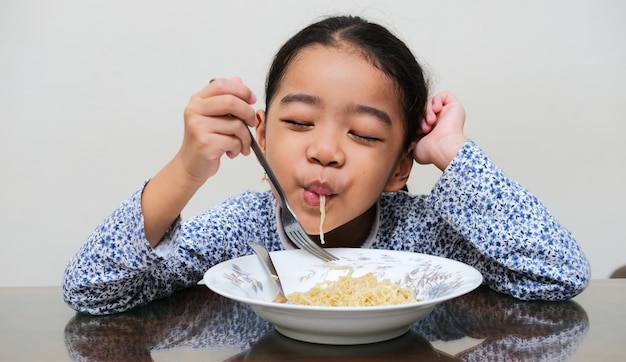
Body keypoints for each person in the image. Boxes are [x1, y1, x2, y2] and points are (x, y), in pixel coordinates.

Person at [63, 15, 591, 315]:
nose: (326, 151)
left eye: (363, 134)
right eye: (298, 124)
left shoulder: (428, 238)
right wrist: (185, 168)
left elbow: (559, 274)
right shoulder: (242, 230)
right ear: (263, 136)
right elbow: (91, 288)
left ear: (398, 168)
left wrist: (453, 156)